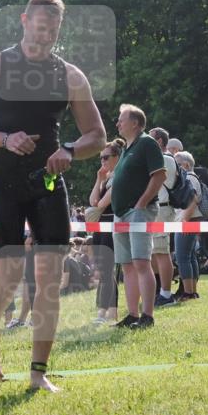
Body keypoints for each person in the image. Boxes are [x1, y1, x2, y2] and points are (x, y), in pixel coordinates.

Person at [0, 0, 106, 391]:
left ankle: (38, 373)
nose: (46, 36)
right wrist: (4, 139)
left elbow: (97, 135)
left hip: (49, 181)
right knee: (7, 274)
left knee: (50, 276)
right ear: (24, 21)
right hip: (4, 178)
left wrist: (69, 150)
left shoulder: (70, 75)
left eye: (54, 30)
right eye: (41, 28)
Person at [111, 104, 166, 329]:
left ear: (135, 123)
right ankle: (132, 314)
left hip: (138, 212)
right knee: (127, 265)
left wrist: (142, 202)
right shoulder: (127, 148)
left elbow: (159, 175)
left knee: (141, 262)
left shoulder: (147, 143)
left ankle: (148, 316)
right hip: (121, 213)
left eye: (121, 119)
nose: (117, 123)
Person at [89, 138, 124, 323]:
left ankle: (110, 311)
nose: (103, 161)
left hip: (111, 226)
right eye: (101, 158)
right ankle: (103, 311)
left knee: (109, 270)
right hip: (100, 228)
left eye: (106, 157)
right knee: (103, 270)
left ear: (118, 157)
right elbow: (93, 201)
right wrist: (99, 179)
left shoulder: (119, 177)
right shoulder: (107, 178)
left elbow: (100, 205)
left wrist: (97, 204)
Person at [148, 127, 178, 308]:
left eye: (150, 139)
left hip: (162, 209)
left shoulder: (165, 159)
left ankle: (166, 294)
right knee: (154, 252)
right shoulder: (163, 159)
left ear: (159, 141)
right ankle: (159, 290)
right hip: (157, 209)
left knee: (161, 252)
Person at [173, 150, 203, 300]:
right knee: (190, 256)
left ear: (185, 165)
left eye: (177, 165)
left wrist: (184, 220)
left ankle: (188, 292)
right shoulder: (194, 178)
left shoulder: (189, 178)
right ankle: (192, 291)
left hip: (187, 221)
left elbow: (193, 200)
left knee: (182, 257)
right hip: (191, 220)